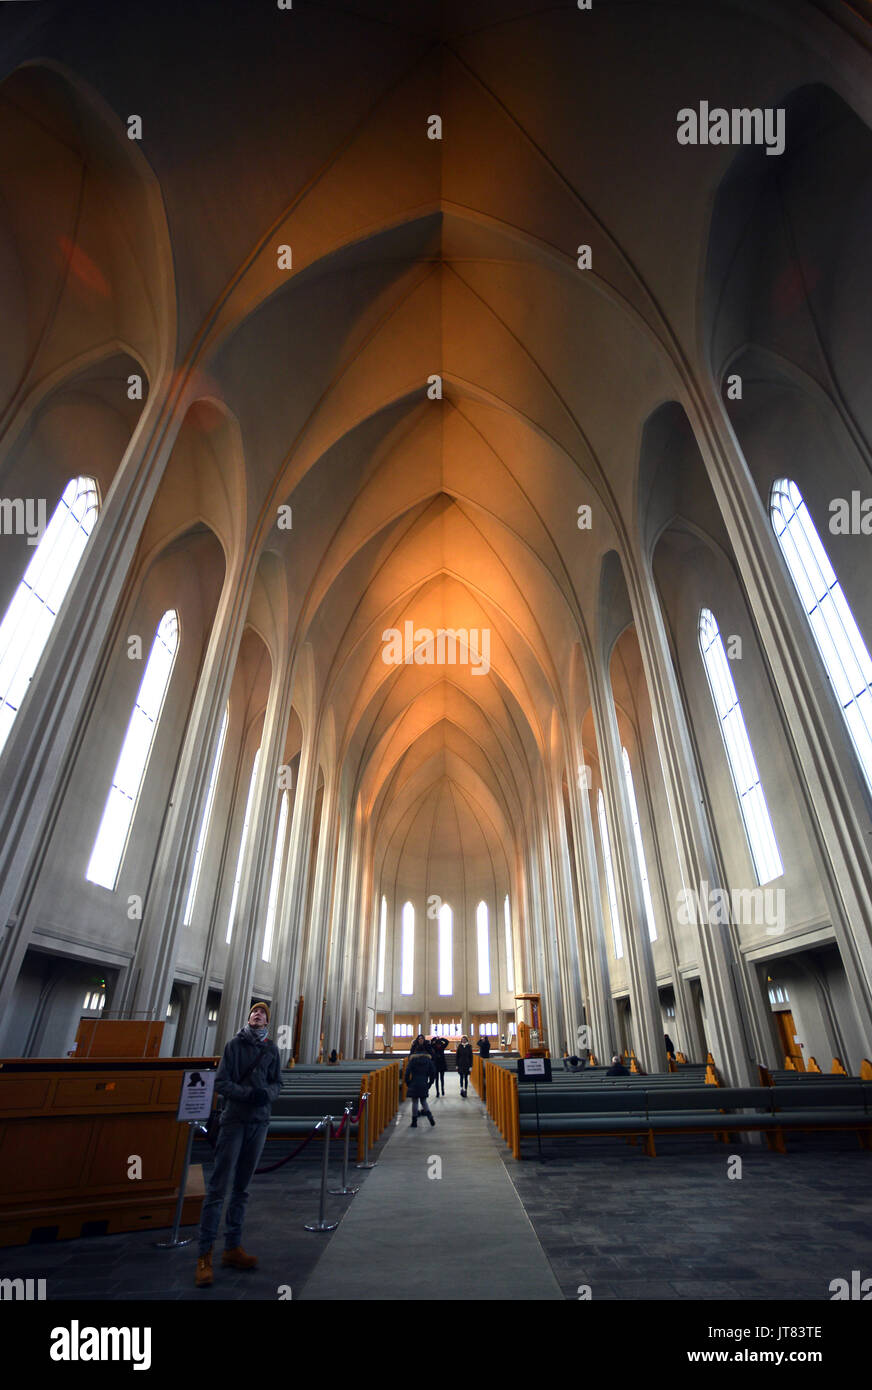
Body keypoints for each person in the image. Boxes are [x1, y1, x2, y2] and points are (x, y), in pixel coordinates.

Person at [196, 1002, 281, 1288]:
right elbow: (221, 1082)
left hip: (259, 1120)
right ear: (249, 1018)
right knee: (218, 1187)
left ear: (268, 1022)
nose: (258, 1016)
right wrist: (248, 1094)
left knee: (242, 1188)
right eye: (255, 1013)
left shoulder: (271, 1049)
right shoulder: (234, 1045)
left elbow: (278, 1082)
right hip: (234, 1120)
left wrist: (266, 1094)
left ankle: (232, 1247)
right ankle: (204, 1256)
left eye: (263, 1014)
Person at [404, 1046, 436, 1127]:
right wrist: (430, 1083)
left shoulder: (412, 1060)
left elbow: (407, 1072)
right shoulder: (428, 1060)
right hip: (424, 1082)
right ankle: (430, 1116)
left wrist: (407, 1082)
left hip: (414, 1082)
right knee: (424, 1101)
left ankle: (414, 1122)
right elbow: (433, 1072)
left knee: (415, 1102)